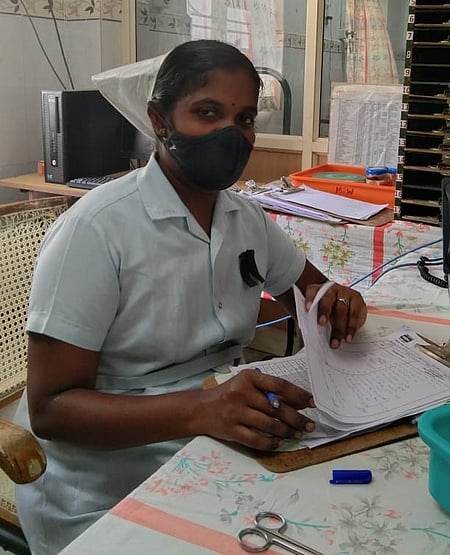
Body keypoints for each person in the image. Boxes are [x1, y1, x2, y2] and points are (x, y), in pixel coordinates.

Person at [14, 39, 367, 555]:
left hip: (218, 442)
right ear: (160, 121)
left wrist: (336, 300)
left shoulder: (245, 218)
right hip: (106, 485)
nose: (231, 133)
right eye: (207, 113)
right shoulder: (96, 231)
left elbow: (310, 291)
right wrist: (202, 410)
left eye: (244, 119)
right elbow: (50, 410)